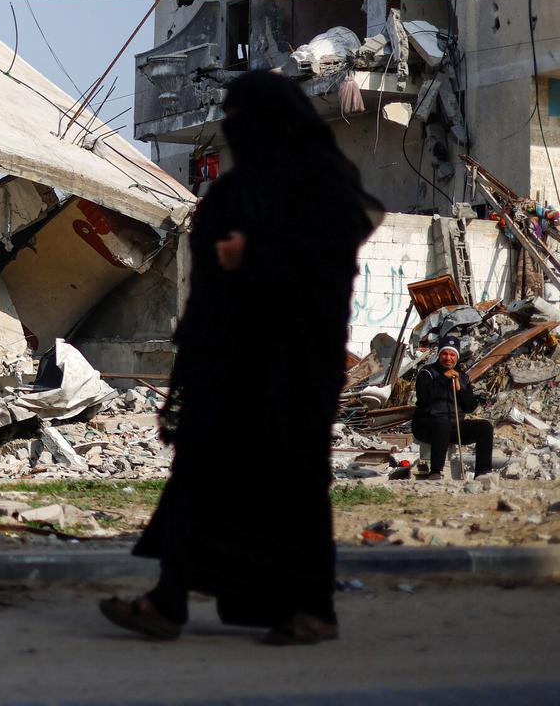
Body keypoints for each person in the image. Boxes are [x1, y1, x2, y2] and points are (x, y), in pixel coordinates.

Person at [99, 71, 382, 647]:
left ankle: (311, 609)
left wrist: (255, 255)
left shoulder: (323, 183)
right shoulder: (245, 185)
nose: (233, 128)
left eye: (242, 117)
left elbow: (323, 266)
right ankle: (167, 600)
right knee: (199, 479)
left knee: (292, 485)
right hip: (227, 363)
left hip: (292, 367)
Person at [411, 341, 493, 478]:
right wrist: (443, 379)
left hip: (454, 425)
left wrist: (461, 390)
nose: (448, 358)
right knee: (442, 425)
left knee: (485, 427)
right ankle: (436, 471)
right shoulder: (427, 373)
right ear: (439, 355)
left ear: (457, 357)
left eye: (452, 355)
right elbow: (425, 398)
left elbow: (470, 407)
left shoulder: (462, 377)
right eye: (445, 354)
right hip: (427, 425)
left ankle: (483, 473)